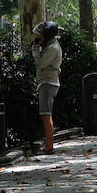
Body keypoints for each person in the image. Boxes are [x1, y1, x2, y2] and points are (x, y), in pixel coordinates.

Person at [31, 21, 62, 153]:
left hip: (48, 83)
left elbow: (42, 64)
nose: (39, 37)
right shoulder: (50, 45)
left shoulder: (52, 48)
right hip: (48, 82)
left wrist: (36, 51)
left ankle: (49, 146)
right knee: (46, 114)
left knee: (46, 114)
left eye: (41, 35)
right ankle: (49, 145)